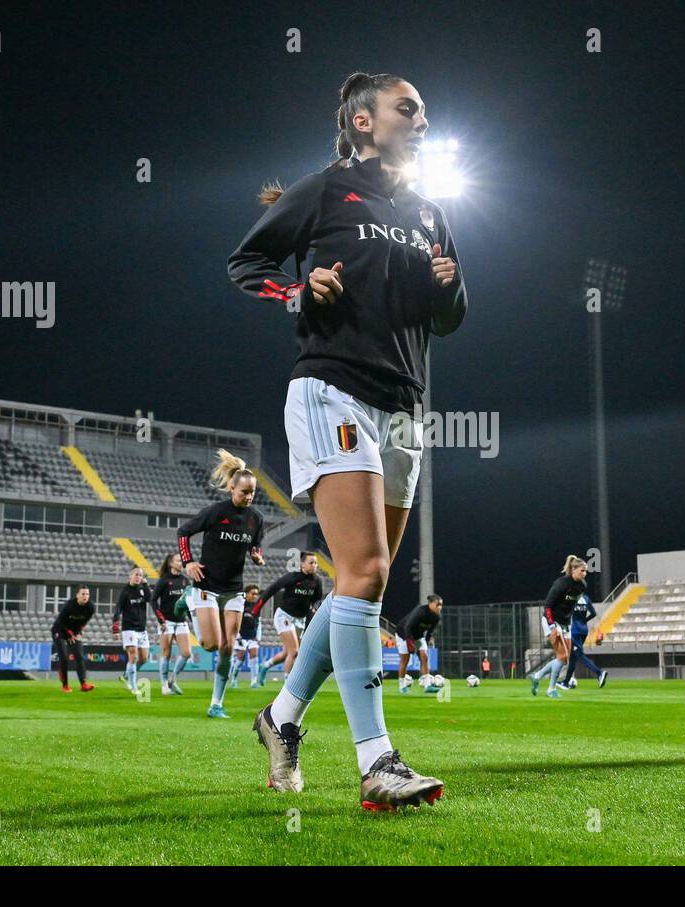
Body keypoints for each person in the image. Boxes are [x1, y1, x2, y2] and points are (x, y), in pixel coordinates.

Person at [228, 71, 465, 809]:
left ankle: (281, 717)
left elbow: (449, 317)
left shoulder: (429, 210)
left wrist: (450, 286)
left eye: (422, 110)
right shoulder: (328, 190)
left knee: (363, 581)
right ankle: (377, 762)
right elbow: (248, 264)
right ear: (364, 121)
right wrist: (299, 292)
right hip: (331, 384)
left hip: (403, 406)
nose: (421, 119)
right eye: (408, 108)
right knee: (362, 571)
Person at [177, 450, 266, 718]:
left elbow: (255, 544)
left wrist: (256, 555)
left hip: (234, 589)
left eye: (252, 493)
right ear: (231, 488)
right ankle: (188, 600)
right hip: (207, 585)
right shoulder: (216, 512)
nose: (248, 497)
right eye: (244, 493)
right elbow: (183, 533)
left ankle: (216, 703)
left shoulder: (256, 518)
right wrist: (188, 563)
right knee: (211, 645)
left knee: (228, 646)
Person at [253, 552, 324, 683]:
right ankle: (288, 683)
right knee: (294, 652)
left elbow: (317, 600)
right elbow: (271, 590)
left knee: (288, 652)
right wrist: (257, 609)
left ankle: (265, 666)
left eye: (316, 563)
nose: (314, 565)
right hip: (284, 616)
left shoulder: (317, 582)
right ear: (302, 564)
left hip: (300, 620)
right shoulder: (292, 578)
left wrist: (314, 607)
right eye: (311, 562)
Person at [530, 557, 589, 699]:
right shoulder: (561, 584)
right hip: (551, 620)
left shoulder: (582, 586)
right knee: (562, 657)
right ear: (574, 570)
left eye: (586, 571)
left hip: (566, 623)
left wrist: (568, 621)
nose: (585, 573)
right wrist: (552, 626)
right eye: (582, 570)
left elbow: (570, 606)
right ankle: (551, 689)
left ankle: (537, 676)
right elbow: (548, 606)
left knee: (565, 659)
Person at [150, 554, 191, 696]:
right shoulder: (164, 580)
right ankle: (164, 685)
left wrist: (193, 620)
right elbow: (153, 601)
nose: (182, 562)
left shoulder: (185, 581)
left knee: (186, 653)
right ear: (171, 563)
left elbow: (188, 602)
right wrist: (161, 620)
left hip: (181, 621)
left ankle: (172, 679)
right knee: (166, 653)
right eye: (179, 560)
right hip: (166, 622)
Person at [112, 567, 154, 697]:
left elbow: (150, 599)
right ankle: (133, 686)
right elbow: (118, 609)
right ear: (130, 576)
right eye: (136, 574)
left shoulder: (142, 589)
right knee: (134, 656)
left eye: (140, 575)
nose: (138, 577)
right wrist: (115, 628)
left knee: (144, 659)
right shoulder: (125, 592)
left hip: (142, 629)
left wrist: (146, 585)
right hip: (129, 629)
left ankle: (126, 675)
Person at [52, 585, 96, 692]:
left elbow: (83, 622)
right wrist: (70, 634)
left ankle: (84, 684)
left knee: (79, 656)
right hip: (60, 630)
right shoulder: (69, 605)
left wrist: (77, 633)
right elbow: (60, 622)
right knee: (63, 657)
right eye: (83, 594)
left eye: (87, 594)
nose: (85, 596)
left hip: (73, 632)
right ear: (77, 595)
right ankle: (65, 685)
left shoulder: (91, 607)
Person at [395, 595, 442, 694]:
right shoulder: (420, 612)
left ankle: (427, 685)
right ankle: (402, 686)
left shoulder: (437, 617)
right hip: (403, 634)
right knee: (405, 660)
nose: (439, 607)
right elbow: (408, 627)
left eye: (441, 605)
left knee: (424, 657)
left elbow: (429, 632)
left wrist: (427, 641)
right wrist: (410, 643)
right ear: (431, 604)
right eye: (437, 604)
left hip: (418, 636)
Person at [560, 592, 607, 689]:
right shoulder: (586, 598)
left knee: (579, 655)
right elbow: (593, 613)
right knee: (573, 657)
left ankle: (599, 673)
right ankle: (566, 682)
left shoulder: (570, 598)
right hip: (584, 630)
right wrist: (585, 620)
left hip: (575, 631)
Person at [230, 585, 263, 688]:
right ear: (247, 593)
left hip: (252, 636)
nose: (255, 596)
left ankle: (253, 681)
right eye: (253, 593)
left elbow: (258, 622)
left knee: (254, 654)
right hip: (241, 636)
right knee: (241, 657)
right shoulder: (240, 604)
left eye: (256, 594)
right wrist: (237, 635)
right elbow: (235, 621)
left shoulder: (256, 607)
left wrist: (258, 637)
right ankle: (233, 679)